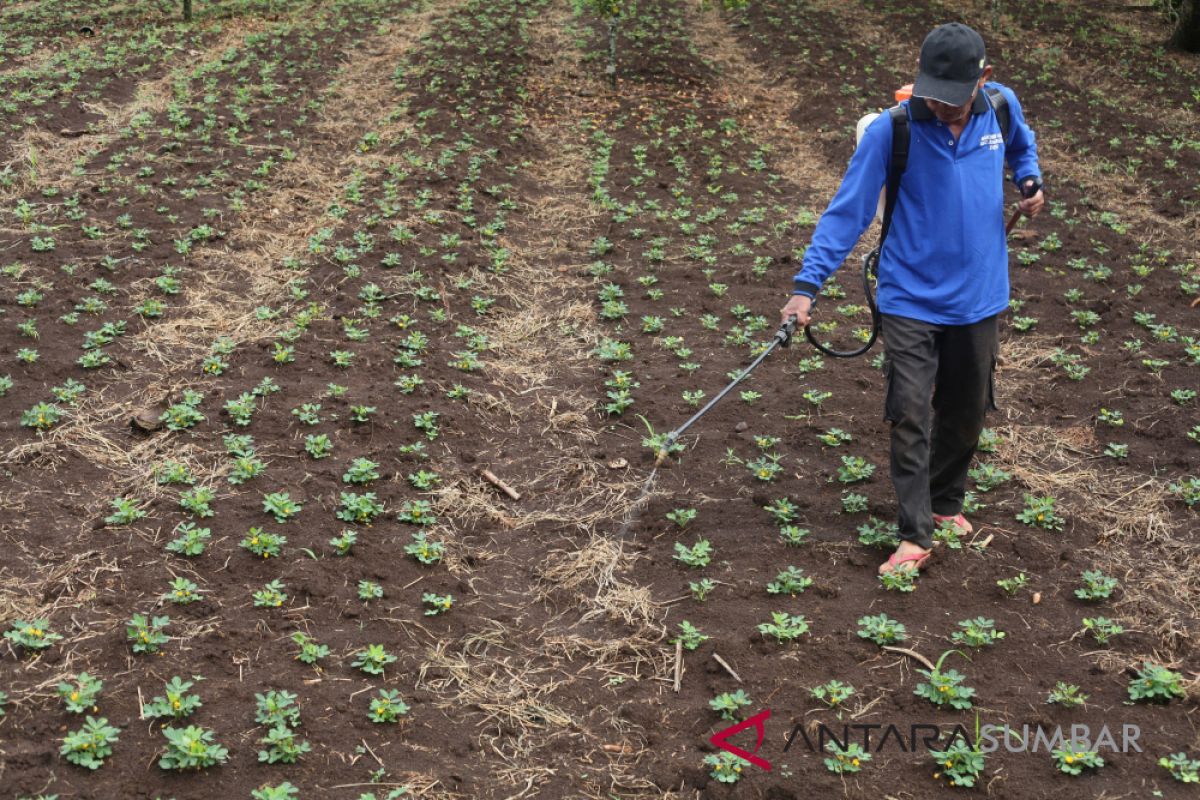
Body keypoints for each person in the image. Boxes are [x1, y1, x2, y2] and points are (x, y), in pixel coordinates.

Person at [779, 22, 1044, 576]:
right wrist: (806, 288)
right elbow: (847, 212)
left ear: (983, 79)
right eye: (933, 95)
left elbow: (1022, 148)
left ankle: (945, 502)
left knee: (967, 410)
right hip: (910, 296)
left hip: (979, 294)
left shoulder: (999, 106)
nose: (942, 108)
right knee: (908, 412)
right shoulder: (890, 131)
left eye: (954, 100)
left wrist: (1028, 179)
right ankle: (914, 534)